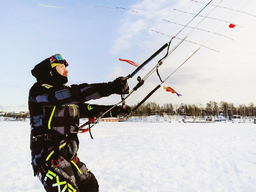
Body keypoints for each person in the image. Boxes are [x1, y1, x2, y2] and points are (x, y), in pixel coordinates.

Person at [29, 54, 130, 192]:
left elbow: (87, 109)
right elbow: (72, 94)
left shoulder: (67, 97)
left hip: (68, 156)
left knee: (91, 186)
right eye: (61, 66)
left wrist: (115, 111)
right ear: (50, 71)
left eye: (65, 67)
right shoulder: (39, 91)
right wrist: (110, 88)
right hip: (48, 158)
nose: (66, 70)